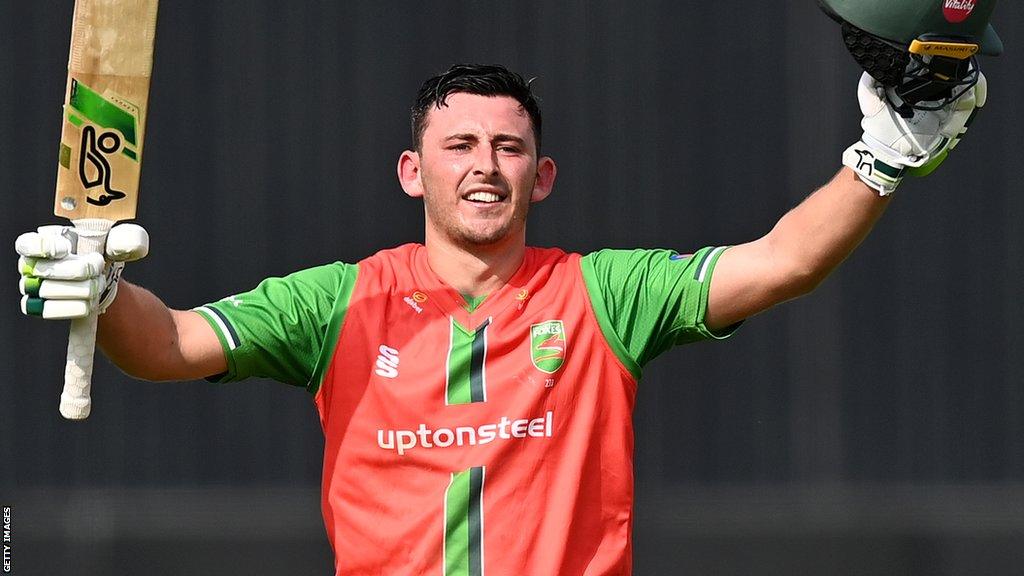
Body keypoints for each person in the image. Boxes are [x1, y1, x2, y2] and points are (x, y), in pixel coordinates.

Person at [17, 61, 986, 574]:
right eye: (460, 144)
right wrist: (104, 296)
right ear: (413, 171)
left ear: (542, 174)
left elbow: (783, 263)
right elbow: (172, 343)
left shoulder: (607, 293)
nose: (484, 164)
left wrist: (881, 157)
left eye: (509, 147)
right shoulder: (338, 301)